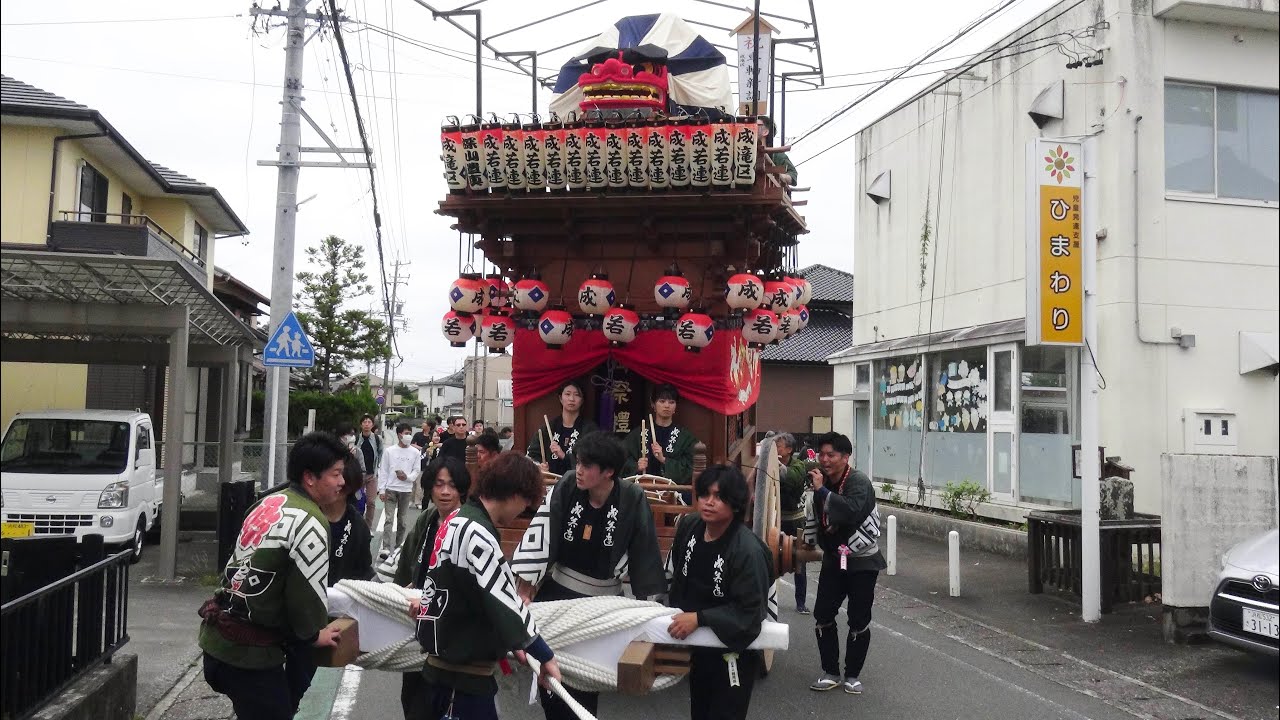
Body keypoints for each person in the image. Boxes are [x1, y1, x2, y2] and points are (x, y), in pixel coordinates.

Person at [511, 431, 666, 720]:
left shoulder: (632, 498)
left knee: (584, 684)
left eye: (586, 465)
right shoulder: (568, 483)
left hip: (600, 603)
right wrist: (525, 587)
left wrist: (650, 612)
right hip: (558, 593)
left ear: (608, 472)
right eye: (578, 462)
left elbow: (645, 554)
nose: (578, 470)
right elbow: (542, 533)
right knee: (549, 675)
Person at [197, 432, 346, 719]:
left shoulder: (269, 502)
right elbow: (306, 596)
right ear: (310, 477)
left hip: (216, 639)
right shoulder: (311, 522)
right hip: (250, 655)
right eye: (336, 474)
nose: (342, 482)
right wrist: (316, 633)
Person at [410, 451, 562, 719]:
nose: (521, 513)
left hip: (441, 674)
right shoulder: (477, 533)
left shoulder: (455, 522)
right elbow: (504, 601)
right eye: (525, 504)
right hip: (461, 683)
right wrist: (544, 654)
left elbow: (479, 597)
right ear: (515, 493)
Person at [666, 464, 775, 720]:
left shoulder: (748, 551)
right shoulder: (690, 526)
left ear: (736, 505)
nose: (709, 502)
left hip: (731, 649)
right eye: (705, 495)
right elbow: (676, 577)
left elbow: (750, 612)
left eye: (719, 497)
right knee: (700, 710)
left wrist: (700, 618)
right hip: (696, 643)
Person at [805, 431, 885, 695]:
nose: (825, 460)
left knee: (858, 618)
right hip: (833, 560)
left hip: (862, 561)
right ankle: (830, 671)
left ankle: (852, 675)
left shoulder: (858, 481)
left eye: (831, 455)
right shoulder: (821, 480)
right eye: (822, 454)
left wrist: (821, 491)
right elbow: (815, 510)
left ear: (845, 457)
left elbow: (851, 511)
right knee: (823, 613)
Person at [394, 455, 470, 720]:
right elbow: (407, 565)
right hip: (418, 620)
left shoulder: (471, 525)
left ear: (462, 488)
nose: (445, 491)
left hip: (451, 628)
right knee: (411, 696)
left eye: (451, 485)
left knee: (436, 703)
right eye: (438, 484)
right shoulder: (427, 519)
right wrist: (399, 594)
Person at [622, 384, 699, 488]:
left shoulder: (685, 437)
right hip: (641, 490)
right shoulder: (639, 434)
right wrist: (636, 466)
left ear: (676, 406)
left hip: (672, 493)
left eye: (671, 402)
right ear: (653, 404)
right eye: (662, 401)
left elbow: (691, 470)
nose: (667, 406)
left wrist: (664, 460)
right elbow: (621, 461)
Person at [527, 381, 599, 476]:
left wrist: (564, 456)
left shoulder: (590, 429)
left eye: (577, 395)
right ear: (560, 398)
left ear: (582, 400)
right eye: (567, 394)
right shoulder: (548, 427)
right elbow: (531, 456)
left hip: (578, 484)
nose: (571, 399)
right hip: (551, 483)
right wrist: (539, 467)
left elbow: (594, 459)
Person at [776, 432, 811, 614]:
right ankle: (768, 598)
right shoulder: (772, 463)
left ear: (789, 449)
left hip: (796, 519)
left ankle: (801, 602)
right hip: (777, 518)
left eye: (779, 447)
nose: (776, 450)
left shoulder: (798, 465)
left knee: (799, 561)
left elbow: (792, 478)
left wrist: (776, 465)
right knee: (771, 559)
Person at [378, 423, 422, 558]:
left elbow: (416, 470)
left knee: (402, 520)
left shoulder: (415, 452)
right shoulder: (390, 451)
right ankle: (385, 548)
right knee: (389, 519)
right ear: (399, 435)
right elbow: (383, 470)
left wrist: (407, 477)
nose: (408, 436)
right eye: (405, 433)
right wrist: (382, 489)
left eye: (410, 433)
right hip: (391, 488)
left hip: (406, 489)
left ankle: (398, 547)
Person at [354, 414, 384, 527]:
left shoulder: (377, 439)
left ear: (372, 424)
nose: (366, 424)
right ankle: (358, 525)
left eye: (369, 422)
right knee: (358, 501)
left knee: (371, 502)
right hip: (358, 475)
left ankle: (368, 527)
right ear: (361, 425)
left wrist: (377, 469)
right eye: (364, 422)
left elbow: (381, 453)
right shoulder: (356, 439)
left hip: (372, 475)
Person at [759, 116, 797, 188]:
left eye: (756, 125)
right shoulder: (740, 150)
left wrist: (781, 177)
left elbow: (793, 175)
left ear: (765, 132)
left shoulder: (776, 155)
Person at [411, 418, 441, 508]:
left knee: (422, 485)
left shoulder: (438, 446)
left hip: (432, 469)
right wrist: (423, 450)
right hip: (420, 464)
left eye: (425, 423)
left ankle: (418, 501)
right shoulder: (419, 436)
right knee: (415, 483)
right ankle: (413, 500)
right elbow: (413, 444)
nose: (423, 424)